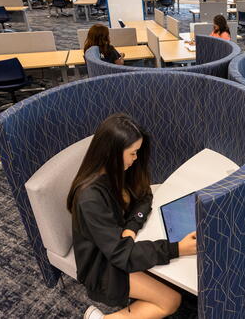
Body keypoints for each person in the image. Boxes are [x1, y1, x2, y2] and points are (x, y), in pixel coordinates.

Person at [67, 113, 197, 319]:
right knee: (171, 301)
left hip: (116, 246)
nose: (136, 159)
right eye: (133, 153)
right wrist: (176, 248)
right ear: (112, 154)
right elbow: (120, 255)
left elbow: (144, 195)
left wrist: (132, 226)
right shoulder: (90, 199)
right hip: (102, 264)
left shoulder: (119, 171)